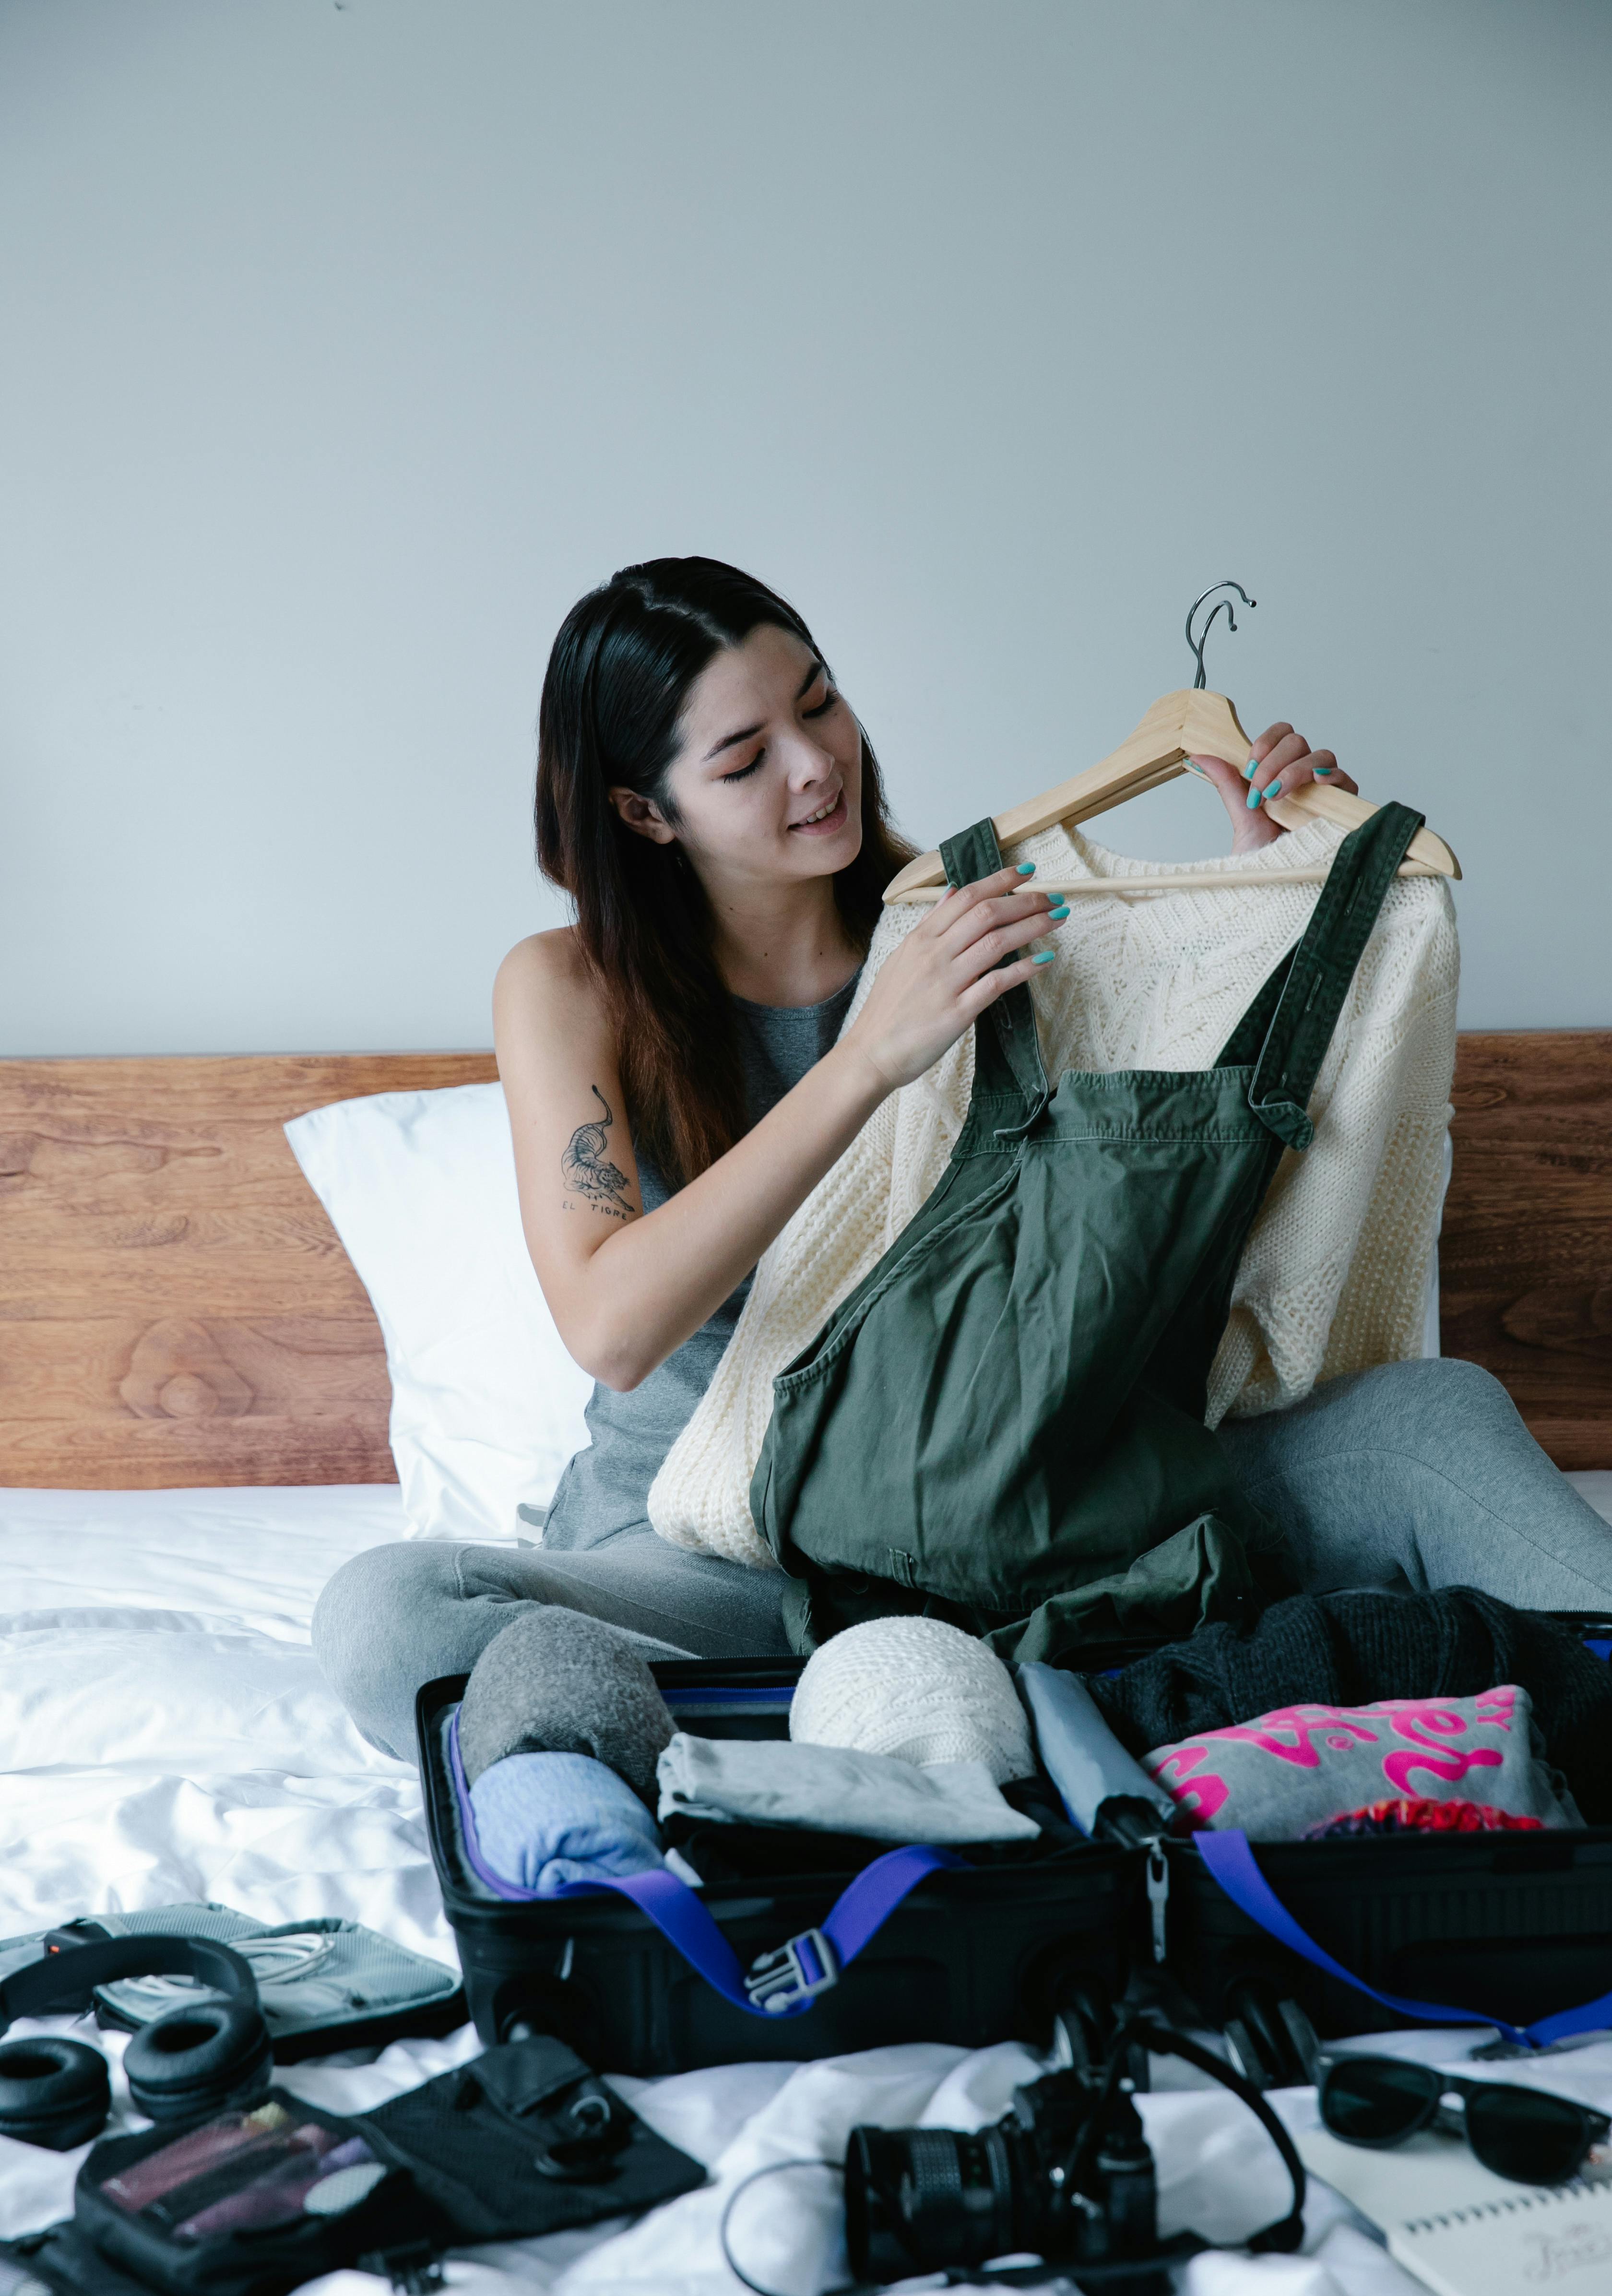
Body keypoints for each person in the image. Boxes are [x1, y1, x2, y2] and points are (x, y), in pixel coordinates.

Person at [315, 558, 1612, 1761]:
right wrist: (864, 1061)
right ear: (644, 812)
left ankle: (955, 1702)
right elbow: (610, 1326)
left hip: (1029, 1499)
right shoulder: (570, 986)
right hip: (720, 1556)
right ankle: (1029, 1697)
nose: (818, 767)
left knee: (1432, 1421)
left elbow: (1159, 1241)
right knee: (391, 1617)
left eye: (820, 706)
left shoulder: (990, 921)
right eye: (745, 757)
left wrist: (1250, 923)